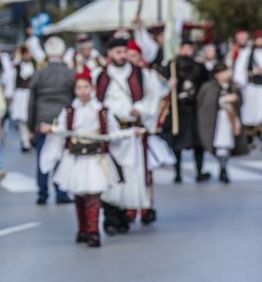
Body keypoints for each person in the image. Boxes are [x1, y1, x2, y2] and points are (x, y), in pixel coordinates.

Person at [38, 73, 138, 247]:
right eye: (79, 88)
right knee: (79, 195)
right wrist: (51, 134)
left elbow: (113, 134)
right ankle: (83, 229)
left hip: (95, 158)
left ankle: (93, 231)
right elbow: (61, 132)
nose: (83, 91)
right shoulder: (69, 111)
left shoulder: (102, 111)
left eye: (86, 87)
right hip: (75, 158)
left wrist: (130, 133)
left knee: (93, 195)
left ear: (92, 89)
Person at [94, 37, 167, 234]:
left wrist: (141, 110)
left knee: (131, 176)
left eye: (124, 51)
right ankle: (110, 218)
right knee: (109, 175)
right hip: (110, 134)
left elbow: (153, 97)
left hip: (132, 133)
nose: (122, 55)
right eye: (117, 52)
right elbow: (94, 101)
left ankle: (124, 214)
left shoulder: (142, 75)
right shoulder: (99, 75)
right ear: (110, 54)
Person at [27, 36, 75, 205]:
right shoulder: (70, 73)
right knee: (61, 157)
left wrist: (31, 127)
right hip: (63, 119)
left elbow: (32, 102)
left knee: (42, 157)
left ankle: (42, 193)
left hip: (42, 119)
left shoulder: (39, 73)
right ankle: (61, 192)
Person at [160, 40, 210, 183]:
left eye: (189, 48)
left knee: (198, 144)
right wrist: (169, 83)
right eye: (184, 48)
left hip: (195, 110)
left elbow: (206, 85)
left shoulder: (200, 67)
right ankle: (177, 173)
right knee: (177, 143)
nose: (187, 51)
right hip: (178, 110)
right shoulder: (171, 67)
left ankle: (199, 171)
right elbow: (159, 85)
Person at [196, 63, 248, 183]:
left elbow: (240, 102)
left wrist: (235, 100)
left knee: (227, 144)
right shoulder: (209, 87)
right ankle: (222, 166)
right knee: (220, 144)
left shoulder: (233, 86)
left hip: (230, 119)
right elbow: (205, 104)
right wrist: (222, 100)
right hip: (216, 120)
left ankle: (223, 168)